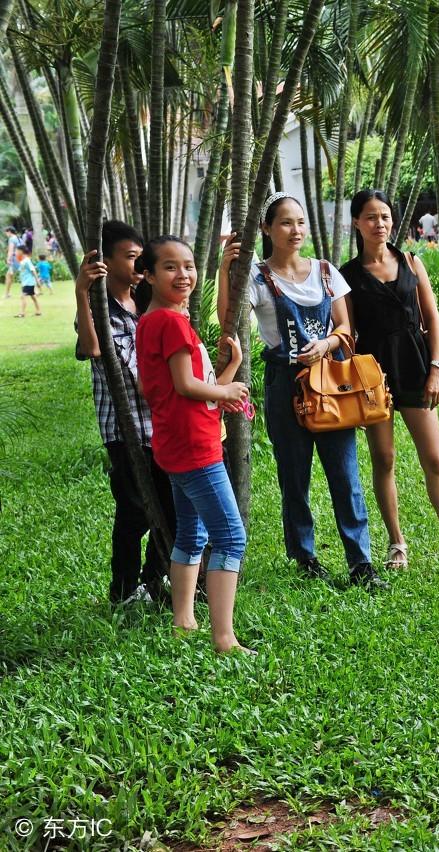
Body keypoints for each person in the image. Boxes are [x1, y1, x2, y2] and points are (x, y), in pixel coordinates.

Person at [217, 192, 387, 592]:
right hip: (284, 383)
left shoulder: (326, 273)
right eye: (285, 223)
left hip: (331, 386)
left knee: (346, 475)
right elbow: (229, 322)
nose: (295, 231)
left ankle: (360, 562)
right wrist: (228, 272)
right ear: (267, 229)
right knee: (294, 476)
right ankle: (304, 557)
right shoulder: (257, 277)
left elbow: (346, 329)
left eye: (300, 222)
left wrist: (326, 345)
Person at [340, 190, 439, 570]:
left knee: (435, 461)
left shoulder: (410, 262)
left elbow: (432, 318)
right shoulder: (348, 276)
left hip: (416, 369)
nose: (380, 223)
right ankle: (397, 545)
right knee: (384, 459)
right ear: (357, 223)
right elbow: (348, 331)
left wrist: (436, 368)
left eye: (385, 216)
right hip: (374, 378)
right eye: (371, 217)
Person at [135, 235, 252, 654]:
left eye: (187, 265)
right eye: (169, 266)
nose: (183, 274)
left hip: (179, 442)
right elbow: (187, 387)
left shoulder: (152, 321)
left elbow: (183, 389)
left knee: (193, 530)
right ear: (147, 275)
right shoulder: (168, 322)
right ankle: (224, 638)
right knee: (231, 537)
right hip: (194, 448)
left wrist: (230, 371)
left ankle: (184, 621)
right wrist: (229, 391)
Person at [74, 221, 177, 607]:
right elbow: (92, 350)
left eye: (140, 257)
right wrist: (82, 292)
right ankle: (123, 591)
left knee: (171, 510)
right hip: (125, 429)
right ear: (106, 260)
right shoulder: (101, 308)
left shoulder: (147, 301)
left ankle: (154, 583)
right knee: (134, 511)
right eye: (131, 256)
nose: (138, 263)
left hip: (162, 424)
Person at [13, 248, 40, 317]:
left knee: (23, 296)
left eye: (17, 251)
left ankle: (22, 313)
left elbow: (33, 270)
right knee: (33, 297)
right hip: (26, 282)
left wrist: (37, 281)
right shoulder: (23, 261)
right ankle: (38, 311)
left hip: (29, 282)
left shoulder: (27, 261)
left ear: (22, 252)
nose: (16, 252)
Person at [4, 226, 20, 298]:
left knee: (8, 276)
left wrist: (8, 259)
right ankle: (8, 293)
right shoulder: (18, 238)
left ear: (9, 232)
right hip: (21, 258)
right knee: (11, 275)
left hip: (15, 259)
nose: (6, 234)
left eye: (6, 232)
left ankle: (7, 294)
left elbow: (11, 250)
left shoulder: (12, 239)